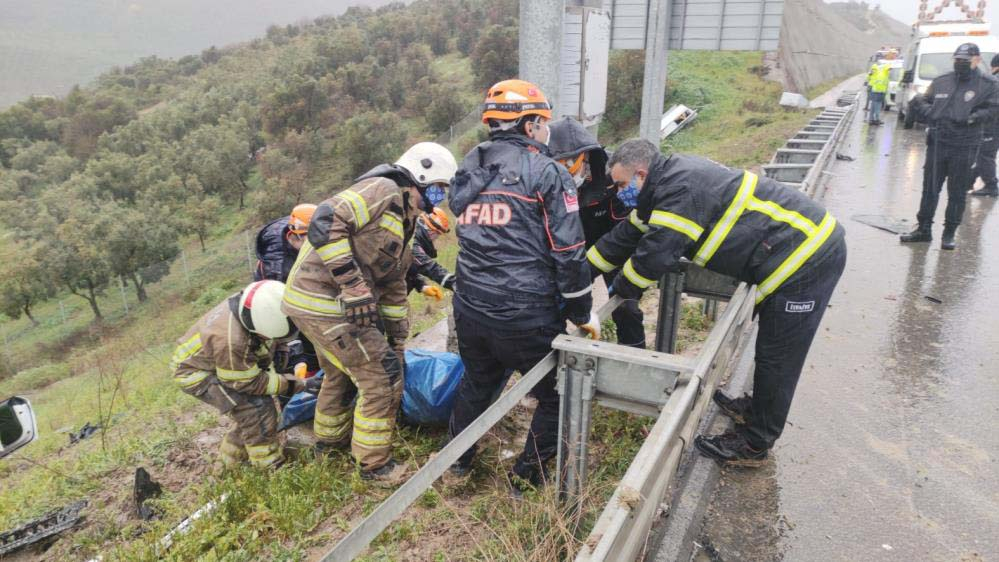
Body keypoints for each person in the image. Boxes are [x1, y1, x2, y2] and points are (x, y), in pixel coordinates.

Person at [587, 139, 846, 466]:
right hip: (789, 252)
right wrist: (581, 274)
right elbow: (622, 239)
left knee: (777, 355)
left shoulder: (680, 191)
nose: (620, 191)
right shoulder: (663, 188)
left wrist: (622, 290)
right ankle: (757, 410)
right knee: (770, 352)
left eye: (623, 183)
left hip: (807, 259)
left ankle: (755, 444)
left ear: (641, 173)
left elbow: (654, 257)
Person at [444, 79, 599, 489]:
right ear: (529, 125)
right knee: (556, 394)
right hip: (524, 312)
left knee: (478, 384)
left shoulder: (469, 165)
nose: (547, 132)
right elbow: (568, 250)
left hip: (471, 305)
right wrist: (581, 312)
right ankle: (526, 480)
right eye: (543, 124)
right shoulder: (546, 172)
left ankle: (456, 467)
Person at [281, 142, 457, 483]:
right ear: (420, 177)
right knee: (381, 378)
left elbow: (392, 288)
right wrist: (353, 286)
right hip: (326, 303)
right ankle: (374, 466)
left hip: (314, 304)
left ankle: (329, 445)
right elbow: (326, 220)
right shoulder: (384, 190)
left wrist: (398, 342)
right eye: (439, 188)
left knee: (339, 374)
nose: (440, 196)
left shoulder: (405, 222)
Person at [171, 280, 315, 469]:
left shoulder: (258, 306)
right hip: (195, 373)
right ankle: (270, 466)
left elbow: (273, 338)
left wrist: (286, 355)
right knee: (255, 409)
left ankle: (228, 466)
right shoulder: (232, 342)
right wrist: (294, 384)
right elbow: (248, 383)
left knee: (247, 418)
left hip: (221, 363)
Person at [548, 116, 646, 348]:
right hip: (573, 246)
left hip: (614, 245)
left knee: (626, 306)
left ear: (585, 157)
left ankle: (635, 357)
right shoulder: (549, 179)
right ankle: (555, 358)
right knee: (558, 302)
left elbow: (633, 220)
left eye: (568, 163)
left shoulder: (615, 174)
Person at [900, 43, 999, 249]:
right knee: (930, 189)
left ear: (977, 60)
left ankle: (949, 233)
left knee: (956, 192)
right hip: (938, 143)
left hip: (965, 145)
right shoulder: (942, 81)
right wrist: (928, 113)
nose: (960, 64)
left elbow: (992, 109)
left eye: (965, 60)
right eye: (957, 60)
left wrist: (971, 118)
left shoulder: (988, 84)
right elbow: (925, 101)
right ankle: (923, 229)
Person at [254, 204, 317, 282]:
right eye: (315, 234)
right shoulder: (278, 265)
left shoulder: (298, 223)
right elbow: (276, 290)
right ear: (300, 234)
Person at [405, 208, 456, 300]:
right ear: (430, 230)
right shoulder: (413, 244)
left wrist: (422, 286)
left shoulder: (413, 235)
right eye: (437, 234)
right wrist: (457, 284)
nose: (435, 239)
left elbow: (408, 270)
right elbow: (431, 268)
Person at [971, 53, 999, 198]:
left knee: (985, 155)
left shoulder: (995, 81)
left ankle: (991, 185)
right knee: (984, 154)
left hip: (992, 125)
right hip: (993, 124)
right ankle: (970, 178)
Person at [868, 60, 890, 125]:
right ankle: (876, 119)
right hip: (878, 92)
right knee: (877, 106)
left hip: (876, 91)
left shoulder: (884, 75)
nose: (889, 71)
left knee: (873, 106)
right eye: (889, 69)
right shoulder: (882, 75)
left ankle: (871, 119)